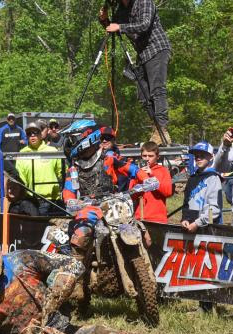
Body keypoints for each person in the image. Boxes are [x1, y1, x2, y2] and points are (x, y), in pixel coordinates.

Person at [62, 126, 146, 262]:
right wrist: (70, 201)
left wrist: (147, 179)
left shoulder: (108, 157)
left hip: (112, 203)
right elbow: (68, 190)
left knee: (131, 227)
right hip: (89, 207)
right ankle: (77, 271)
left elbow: (132, 168)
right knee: (81, 233)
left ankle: (139, 258)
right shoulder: (74, 168)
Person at [100, 0, 171, 143]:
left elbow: (144, 24)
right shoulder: (121, 9)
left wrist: (119, 26)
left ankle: (161, 130)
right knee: (143, 96)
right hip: (142, 54)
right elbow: (113, 28)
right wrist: (104, 20)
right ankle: (158, 129)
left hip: (157, 48)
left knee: (157, 90)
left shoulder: (144, 2)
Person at [17, 120, 62, 215]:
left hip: (52, 201)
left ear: (41, 135)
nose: (32, 135)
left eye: (35, 132)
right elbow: (21, 178)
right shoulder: (22, 153)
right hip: (32, 201)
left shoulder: (53, 151)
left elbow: (62, 173)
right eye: (29, 133)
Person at [180, 142, 222, 233]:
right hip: (190, 226)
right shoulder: (192, 179)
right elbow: (186, 204)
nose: (198, 158)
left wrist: (197, 223)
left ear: (211, 157)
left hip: (208, 227)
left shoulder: (213, 178)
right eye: (196, 155)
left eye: (202, 155)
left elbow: (214, 209)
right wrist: (184, 219)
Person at [129, 140, 173, 223]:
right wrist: (138, 178)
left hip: (157, 218)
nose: (147, 159)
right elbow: (132, 196)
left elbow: (168, 192)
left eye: (150, 156)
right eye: (144, 156)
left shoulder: (163, 171)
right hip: (140, 217)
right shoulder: (137, 171)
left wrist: (151, 176)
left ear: (157, 157)